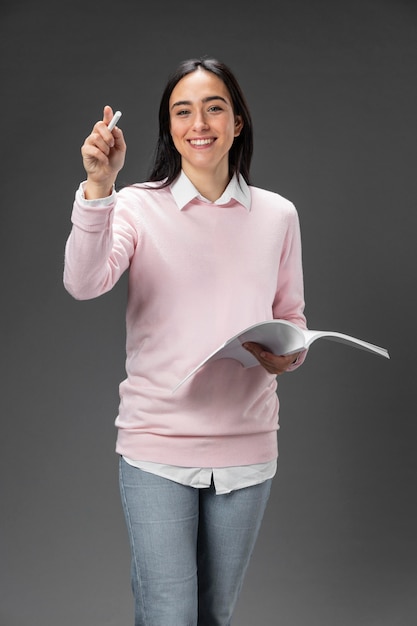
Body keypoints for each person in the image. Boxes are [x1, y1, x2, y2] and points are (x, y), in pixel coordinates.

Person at [64, 57, 307, 626]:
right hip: (157, 444)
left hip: (248, 447)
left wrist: (287, 356)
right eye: (183, 111)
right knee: (169, 612)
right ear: (169, 128)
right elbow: (82, 282)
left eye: (214, 107)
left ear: (238, 122)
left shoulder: (278, 215)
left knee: (213, 614)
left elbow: (290, 316)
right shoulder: (135, 207)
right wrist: (100, 188)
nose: (199, 122)